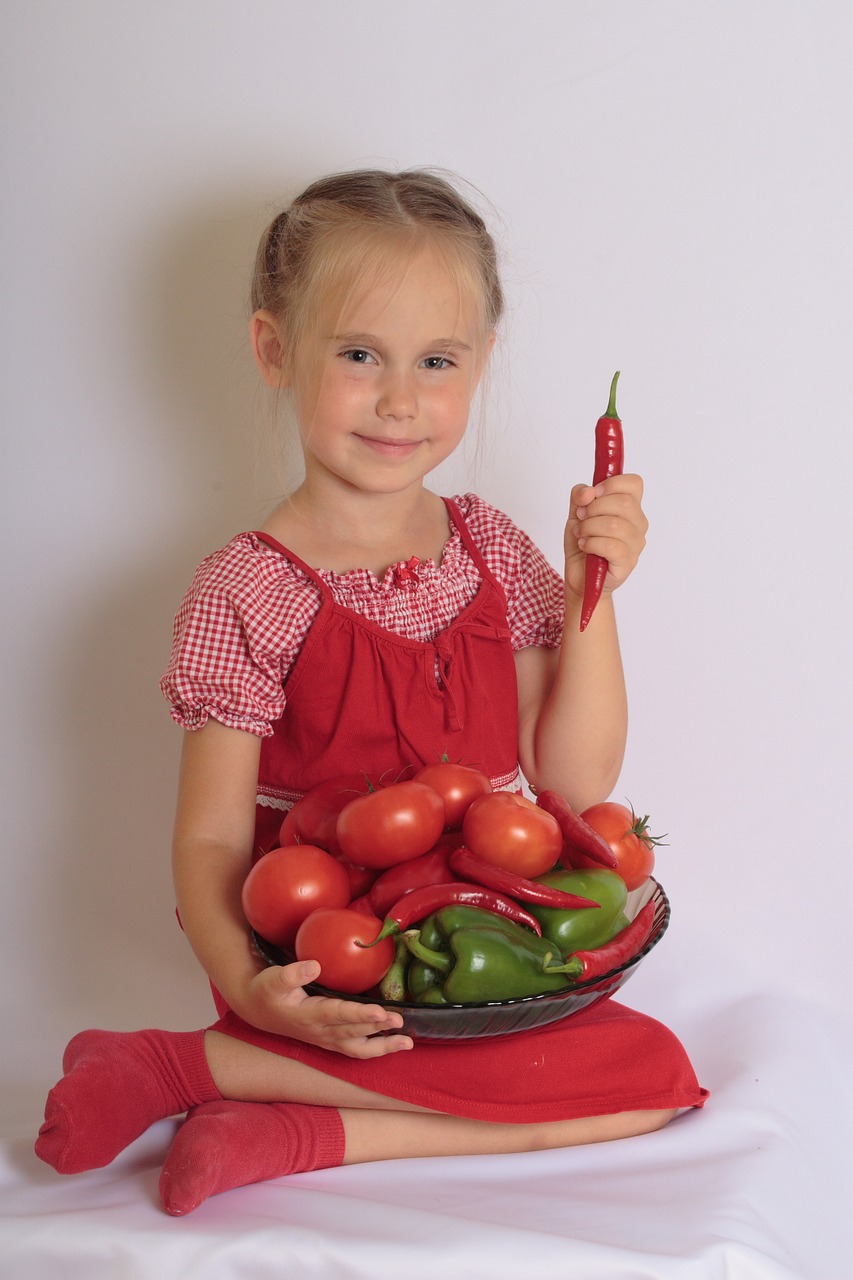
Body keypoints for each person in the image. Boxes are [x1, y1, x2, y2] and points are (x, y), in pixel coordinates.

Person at [35, 168, 707, 1216]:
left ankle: (252, 1100)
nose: (400, 399)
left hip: (471, 940)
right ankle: (221, 1055)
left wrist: (594, 593)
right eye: (359, 355)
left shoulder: (490, 548)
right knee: (605, 1083)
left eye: (436, 361)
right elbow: (210, 843)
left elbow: (575, 779)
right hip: (321, 955)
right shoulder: (247, 586)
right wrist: (254, 982)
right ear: (274, 351)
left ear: (478, 367)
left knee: (655, 1077)